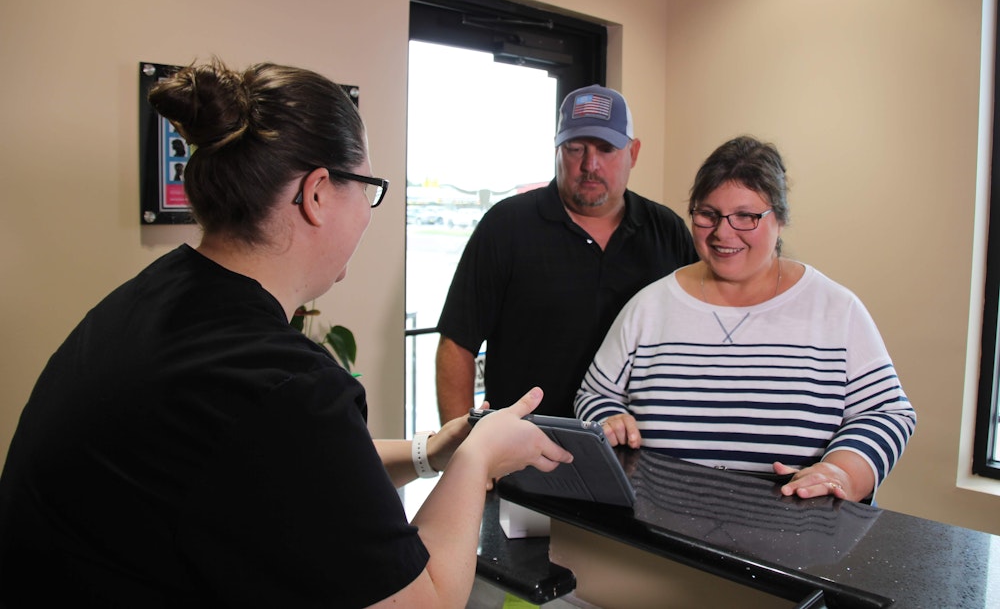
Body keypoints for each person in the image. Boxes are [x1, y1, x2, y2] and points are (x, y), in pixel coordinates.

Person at [0, 59, 572, 608]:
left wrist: (432, 452)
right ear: (318, 193)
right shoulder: (280, 380)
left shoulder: (156, 298)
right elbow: (419, 600)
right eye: (368, 186)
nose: (370, 212)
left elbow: (298, 467)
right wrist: (478, 460)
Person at [575, 135, 916, 503]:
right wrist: (608, 418)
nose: (723, 232)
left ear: (780, 219)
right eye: (708, 214)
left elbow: (888, 412)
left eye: (746, 216)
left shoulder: (835, 309)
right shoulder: (649, 306)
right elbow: (594, 394)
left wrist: (843, 472)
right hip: (660, 532)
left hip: (795, 540)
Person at [436, 84, 698, 422]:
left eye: (606, 149)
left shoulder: (667, 230)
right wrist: (461, 451)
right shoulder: (505, 226)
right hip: (522, 451)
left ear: (633, 153)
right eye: (576, 148)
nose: (590, 164)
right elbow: (457, 343)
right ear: (557, 149)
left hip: (639, 449)